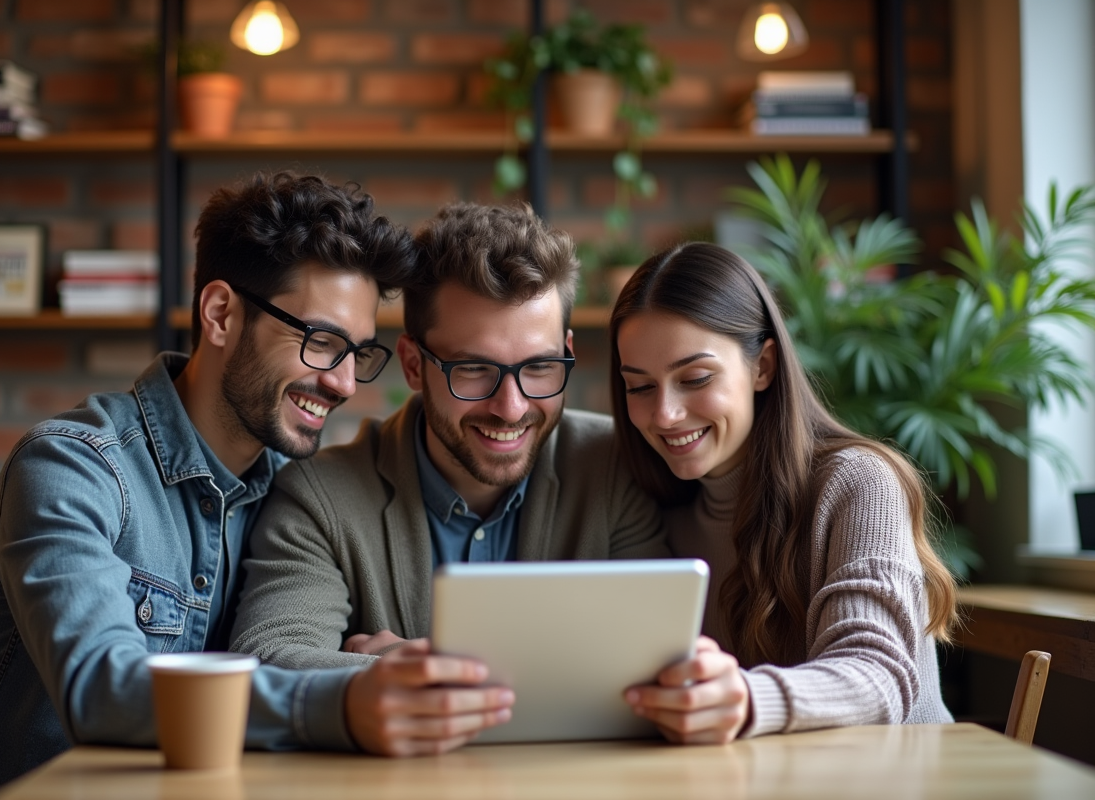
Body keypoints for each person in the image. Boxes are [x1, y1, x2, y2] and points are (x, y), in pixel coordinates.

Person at [0, 175, 514, 800]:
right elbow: (101, 690)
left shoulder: (302, 492)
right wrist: (341, 699)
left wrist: (372, 664)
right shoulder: (73, 468)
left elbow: (320, 650)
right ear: (222, 314)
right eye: (321, 343)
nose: (343, 384)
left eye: (357, 354)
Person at [229, 202, 669, 670]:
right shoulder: (319, 500)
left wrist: (411, 663)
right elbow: (269, 660)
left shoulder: (617, 465)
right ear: (414, 365)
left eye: (539, 367)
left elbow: (655, 656)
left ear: (567, 352)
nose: (511, 407)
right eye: (474, 369)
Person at [609, 242, 957, 744]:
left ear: (763, 367)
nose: (665, 414)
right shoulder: (650, 511)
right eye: (640, 387)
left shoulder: (859, 484)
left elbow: (878, 676)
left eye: (695, 378)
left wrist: (749, 701)